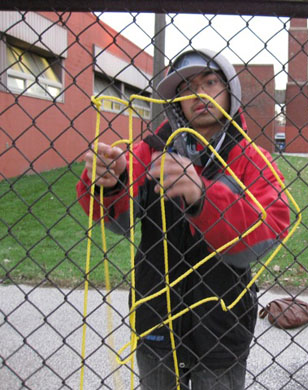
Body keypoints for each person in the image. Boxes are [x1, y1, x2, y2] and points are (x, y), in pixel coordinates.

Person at [76, 49, 290, 389]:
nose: (200, 94)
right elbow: (117, 221)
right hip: (155, 317)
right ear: (176, 100)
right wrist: (109, 181)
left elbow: (269, 229)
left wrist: (203, 198)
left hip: (223, 324)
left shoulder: (251, 157)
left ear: (230, 91)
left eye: (210, 82)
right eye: (187, 88)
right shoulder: (149, 150)